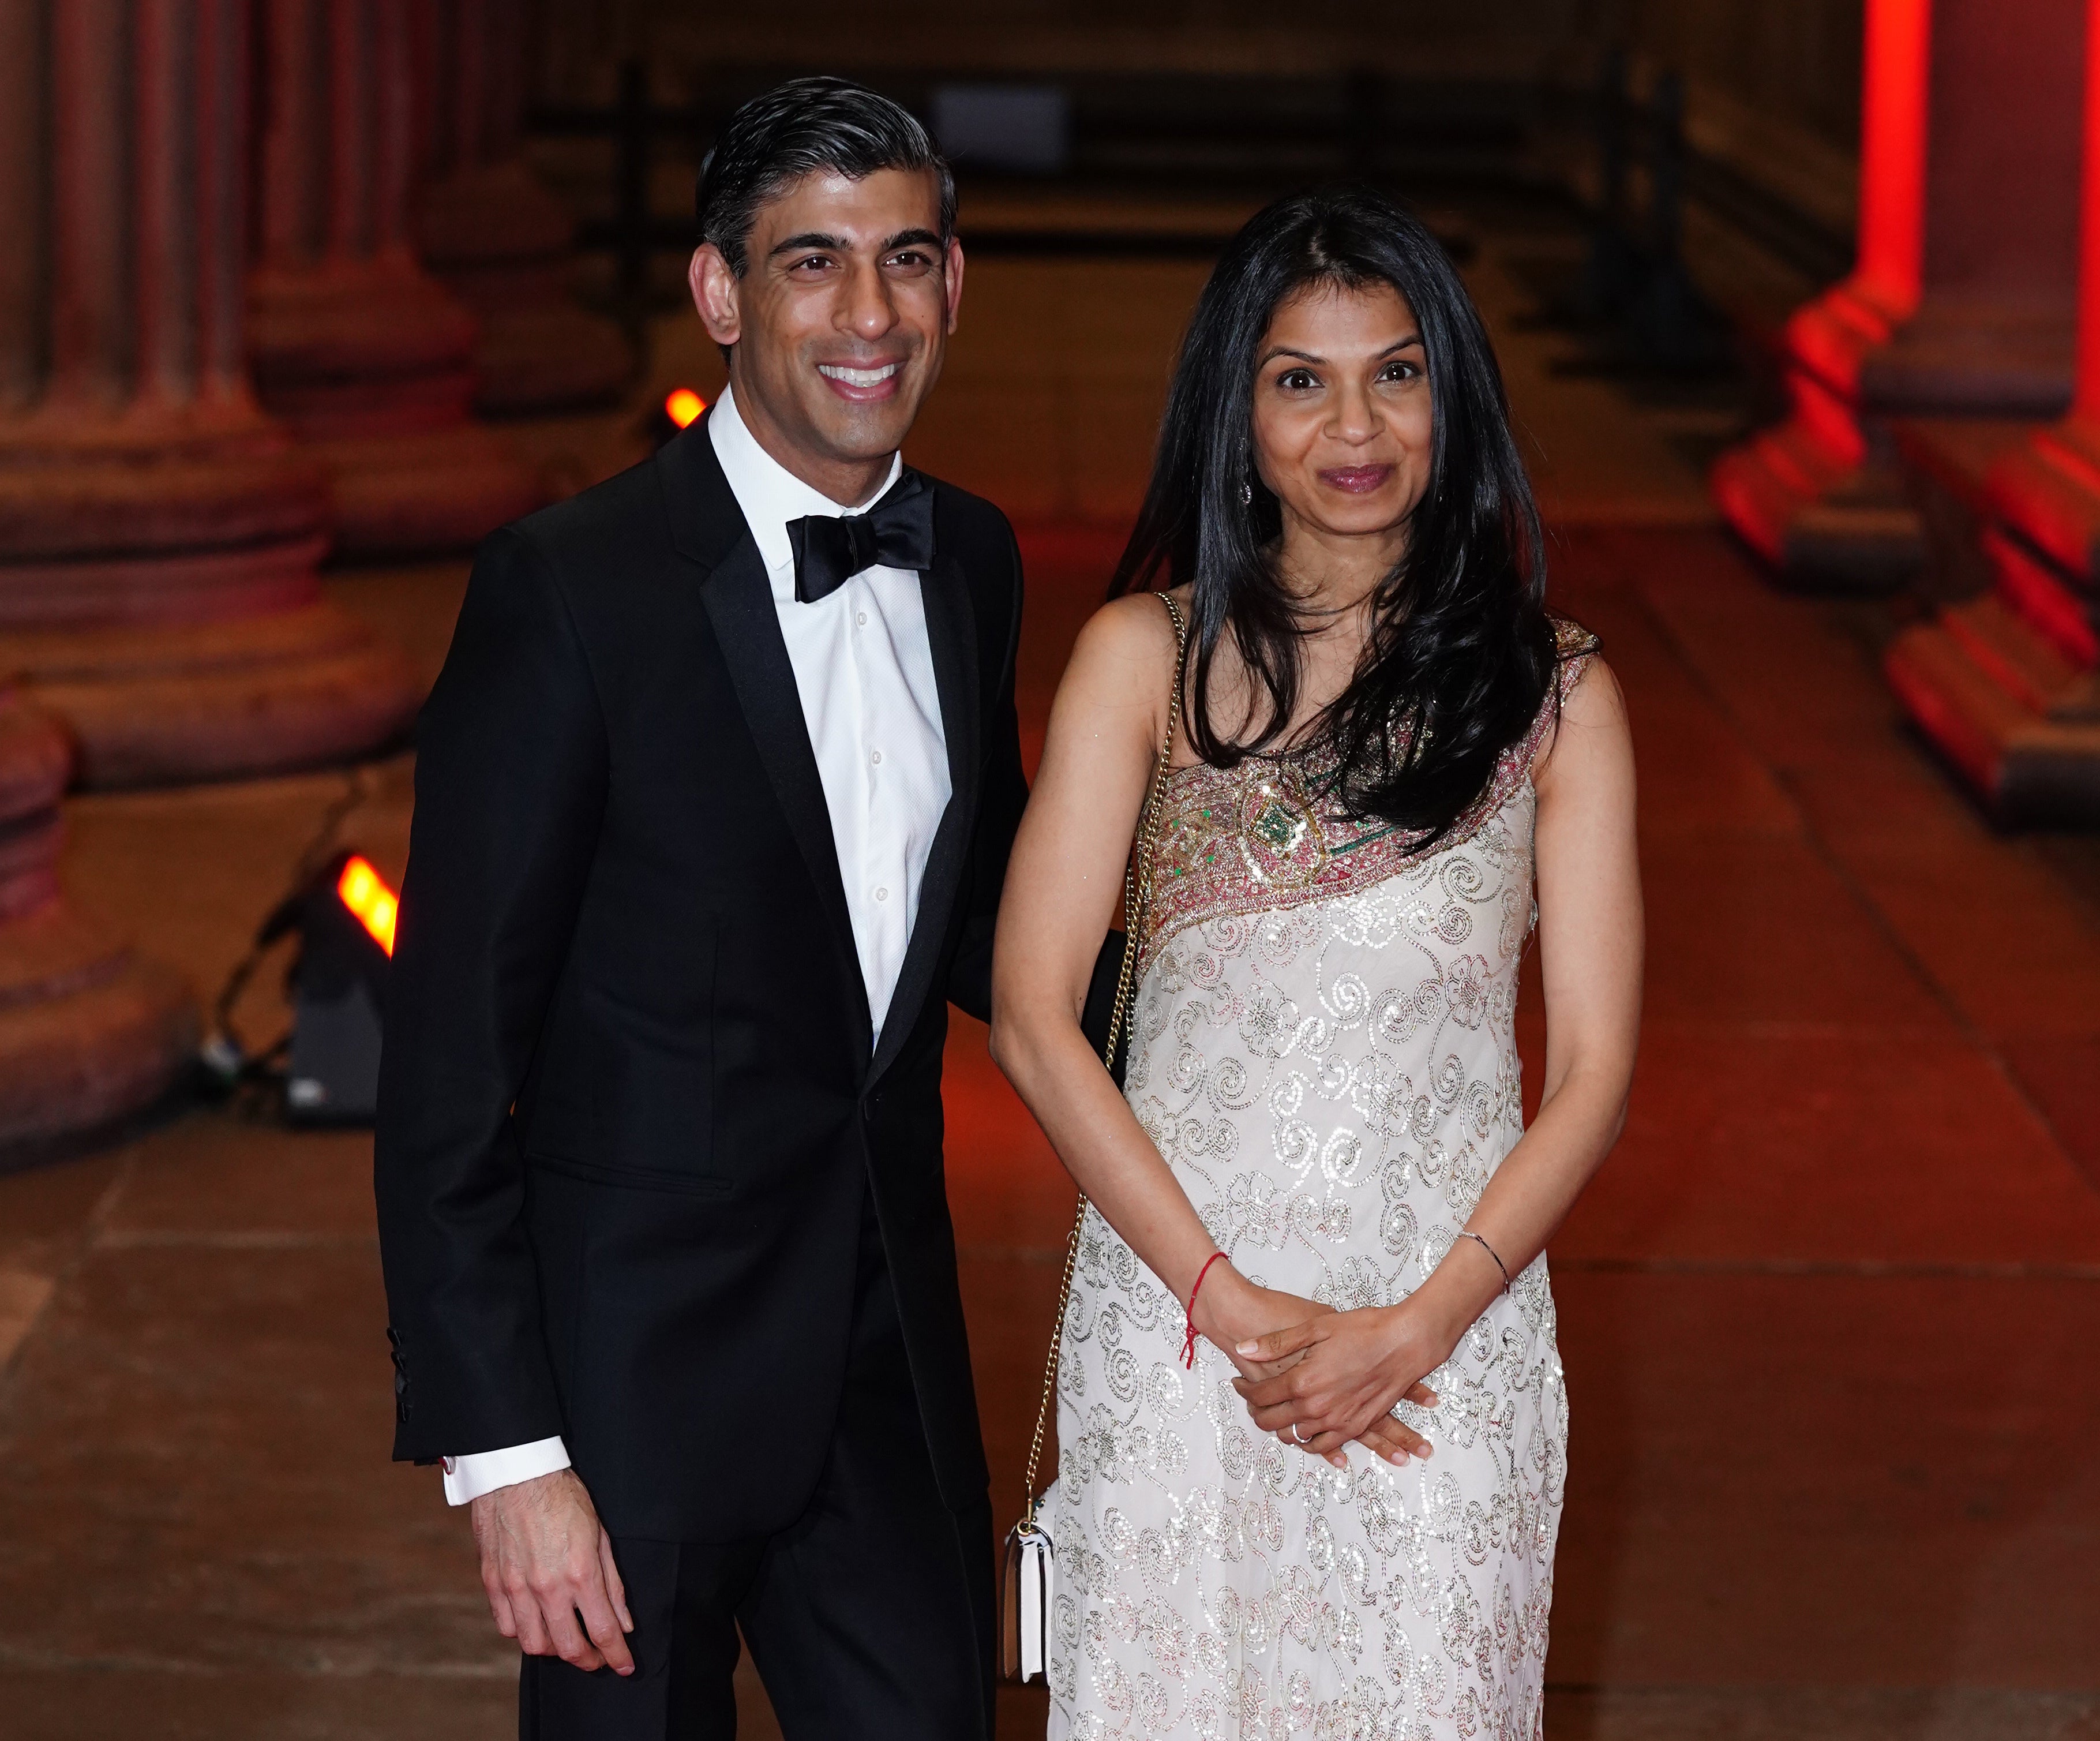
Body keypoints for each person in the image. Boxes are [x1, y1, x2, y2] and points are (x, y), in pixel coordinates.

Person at [374, 78, 1026, 1740]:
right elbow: (450, 1061)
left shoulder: (972, 562)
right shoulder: (569, 590)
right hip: (631, 1403)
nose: (869, 314)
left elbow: (980, 936)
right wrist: (507, 1456)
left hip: (886, 1370)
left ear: (955, 283)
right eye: (813, 263)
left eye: (908, 259)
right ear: (721, 294)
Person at [989, 186, 1641, 1739]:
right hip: (1180, 1325)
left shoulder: (1558, 695)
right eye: (1301, 379)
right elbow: (1031, 1012)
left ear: (1452, 397)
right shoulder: (1140, 662)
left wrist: (1420, 1325)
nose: (1356, 423)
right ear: (1239, 411)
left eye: (1398, 372)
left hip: (1447, 1343)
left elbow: (1599, 1071)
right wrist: (1222, 1300)